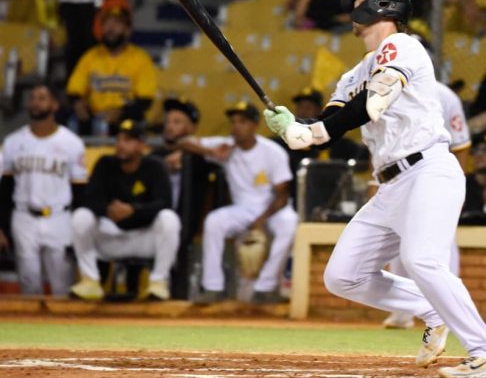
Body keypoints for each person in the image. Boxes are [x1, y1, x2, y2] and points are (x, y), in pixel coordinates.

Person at [263, 0, 486, 377]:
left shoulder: (403, 46)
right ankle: (431, 308)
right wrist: (295, 127)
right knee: (343, 276)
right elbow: (332, 123)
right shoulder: (353, 74)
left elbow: (373, 103)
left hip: (428, 170)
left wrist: (312, 132)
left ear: (384, 6)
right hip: (390, 185)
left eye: (363, 0)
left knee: (422, 259)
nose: (354, 9)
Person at [182, 102, 299, 304]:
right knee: (214, 221)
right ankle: (213, 287)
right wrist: (212, 153)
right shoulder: (226, 146)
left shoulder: (273, 151)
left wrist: (261, 220)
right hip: (242, 210)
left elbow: (282, 196)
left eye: (242, 122)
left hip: (272, 210)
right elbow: (183, 142)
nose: (236, 126)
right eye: (233, 122)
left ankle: (265, 287)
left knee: (290, 221)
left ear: (255, 125)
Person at [382, 78, 471, 329]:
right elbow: (379, 143)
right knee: (399, 237)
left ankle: (449, 310)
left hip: (435, 173)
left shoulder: (445, 95)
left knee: (441, 242)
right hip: (397, 175)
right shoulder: (385, 90)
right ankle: (402, 312)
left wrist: (456, 186)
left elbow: (461, 145)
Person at [70, 120, 180, 301]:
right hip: (110, 237)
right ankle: (90, 280)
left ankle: (159, 282)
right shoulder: (105, 164)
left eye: (128, 140)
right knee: (81, 216)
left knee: (169, 218)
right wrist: (108, 210)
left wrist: (134, 210)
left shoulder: (155, 167)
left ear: (142, 145)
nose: (121, 145)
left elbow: (164, 203)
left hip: (144, 239)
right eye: (119, 139)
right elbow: (89, 199)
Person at [0, 82, 87, 296]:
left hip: (59, 216)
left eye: (42, 98)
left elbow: (80, 191)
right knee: (29, 283)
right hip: (24, 216)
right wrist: (2, 226)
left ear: (55, 105)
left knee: (61, 285)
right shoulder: (13, 142)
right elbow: (6, 189)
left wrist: (78, 229)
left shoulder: (71, 142)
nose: (36, 103)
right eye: (32, 98)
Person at [65, 3, 157, 136]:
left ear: (127, 30)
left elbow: (145, 100)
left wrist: (121, 112)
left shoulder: (141, 58)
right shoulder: (90, 56)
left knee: (134, 117)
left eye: (117, 24)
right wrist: (78, 103)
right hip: (95, 118)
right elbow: (74, 90)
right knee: (70, 117)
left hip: (126, 120)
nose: (110, 28)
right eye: (107, 23)